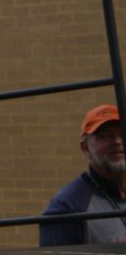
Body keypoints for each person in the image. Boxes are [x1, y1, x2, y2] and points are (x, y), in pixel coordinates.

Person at [40, 104, 126, 246]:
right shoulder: (66, 208)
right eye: (104, 136)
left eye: (122, 134)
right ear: (85, 148)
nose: (117, 141)